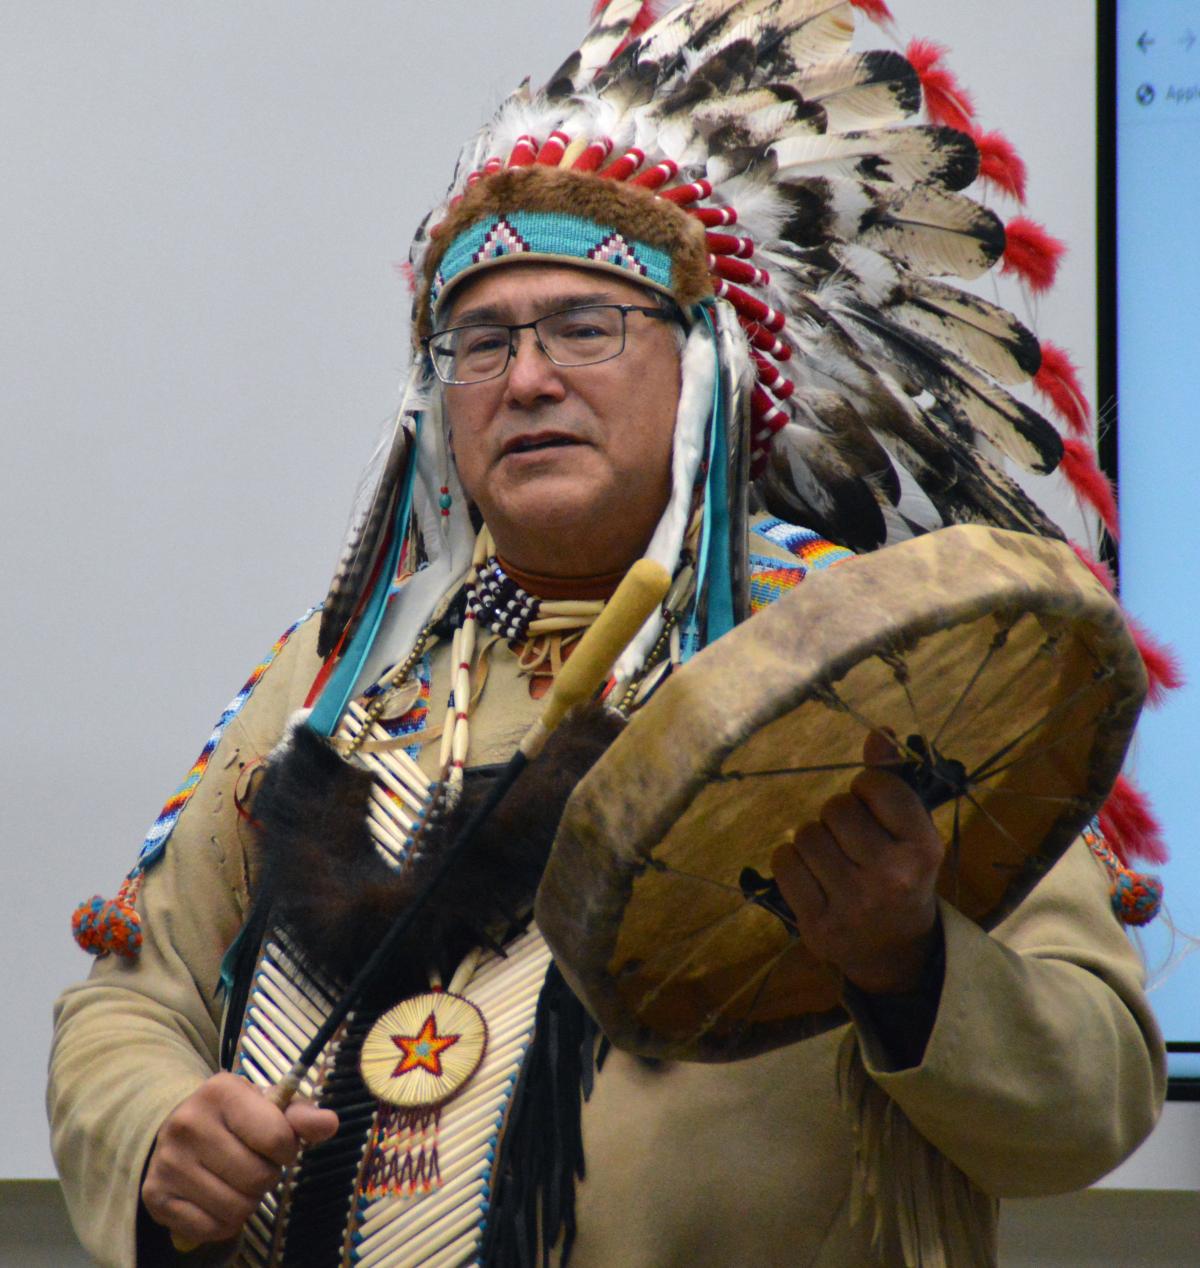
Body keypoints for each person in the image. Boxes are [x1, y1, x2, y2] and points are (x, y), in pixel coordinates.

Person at [49, 3, 1169, 1265]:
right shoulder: (337, 675)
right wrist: (156, 1130)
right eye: (481, 341)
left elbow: (1094, 1095)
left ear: (706, 366)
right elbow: (128, 1006)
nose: (527, 378)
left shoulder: (883, 658)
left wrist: (905, 958)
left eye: (585, 327)